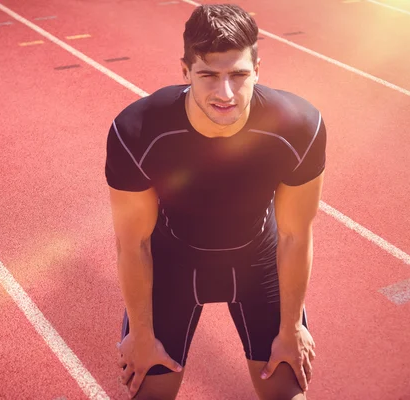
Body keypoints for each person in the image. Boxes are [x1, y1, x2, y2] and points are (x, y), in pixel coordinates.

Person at [105, 4, 325, 400]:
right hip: (171, 264)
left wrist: (291, 329)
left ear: (258, 70)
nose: (225, 93)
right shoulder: (136, 132)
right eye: (208, 75)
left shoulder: (298, 127)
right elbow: (133, 243)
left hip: (260, 264)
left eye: (239, 75)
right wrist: (140, 335)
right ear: (185, 71)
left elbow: (295, 234)